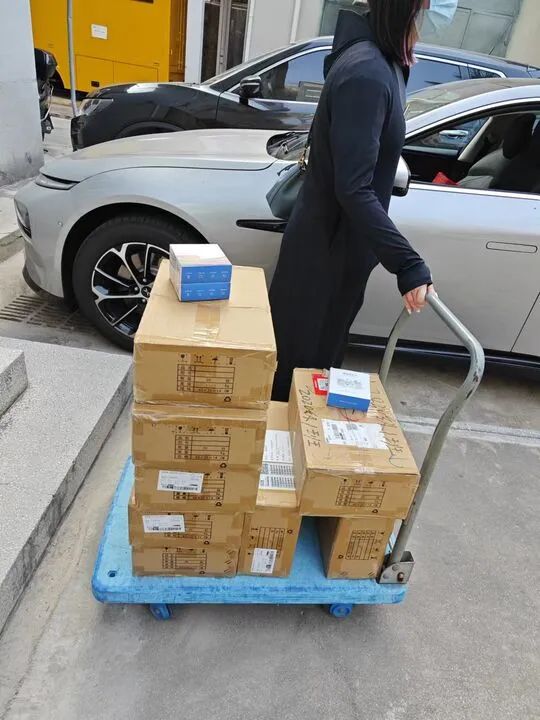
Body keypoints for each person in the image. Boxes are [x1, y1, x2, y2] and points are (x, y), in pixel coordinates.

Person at [269, 0, 454, 402]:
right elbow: (353, 187)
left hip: (339, 250)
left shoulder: (379, 62)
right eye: (422, 9)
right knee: (297, 379)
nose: (430, 15)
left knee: (314, 374)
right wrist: (408, 265)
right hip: (325, 257)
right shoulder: (367, 74)